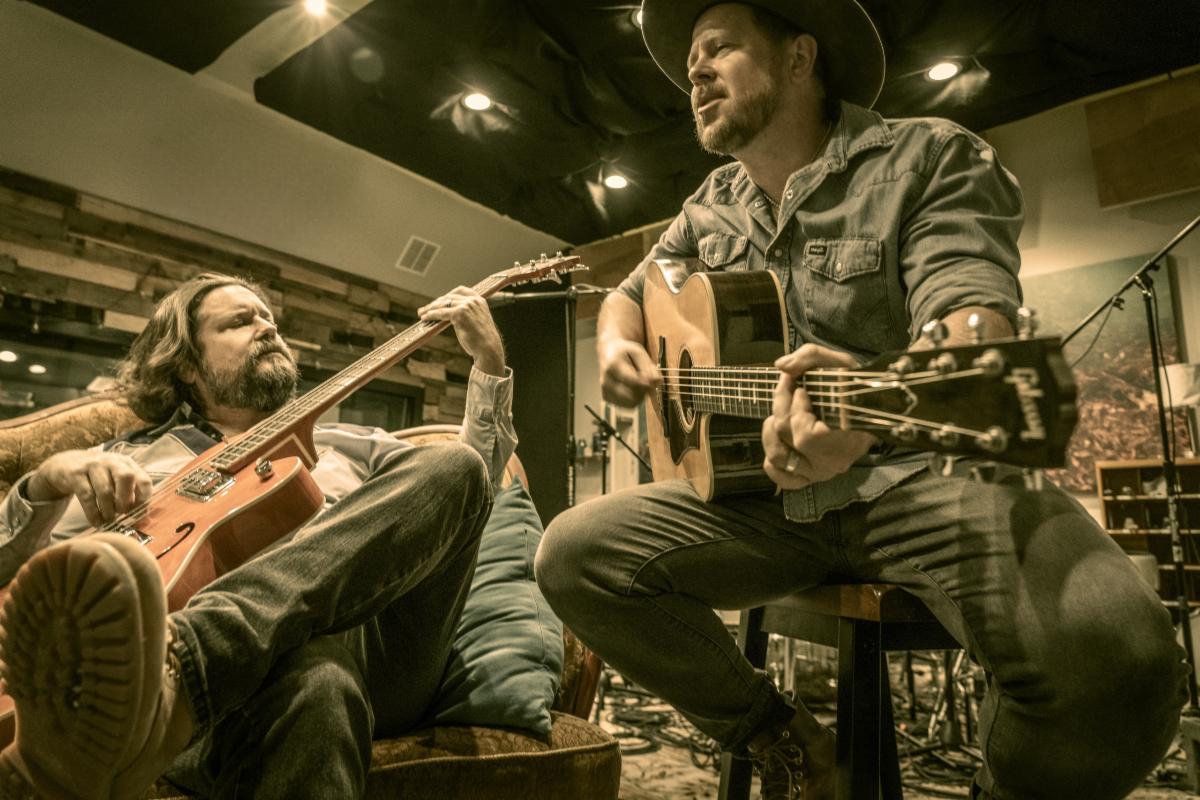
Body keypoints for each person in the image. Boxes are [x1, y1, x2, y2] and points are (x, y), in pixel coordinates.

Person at [534, 2, 1188, 798]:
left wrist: (868, 417)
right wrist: (617, 349)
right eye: (691, 59)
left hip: (917, 482)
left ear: (799, 58)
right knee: (570, 555)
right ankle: (779, 737)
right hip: (760, 505)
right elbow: (627, 296)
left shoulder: (927, 156)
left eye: (719, 48)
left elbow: (969, 313)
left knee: (1118, 655)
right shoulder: (708, 206)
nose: (693, 71)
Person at [0, 271, 517, 799]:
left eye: (269, 320)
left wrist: (489, 366)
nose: (267, 328)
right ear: (186, 364)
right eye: (240, 322)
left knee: (455, 464)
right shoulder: (130, 457)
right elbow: (15, 573)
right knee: (319, 683)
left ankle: (186, 662)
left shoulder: (350, 442)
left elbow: (471, 495)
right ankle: (178, 691)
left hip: (370, 651)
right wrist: (43, 483)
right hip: (233, 706)